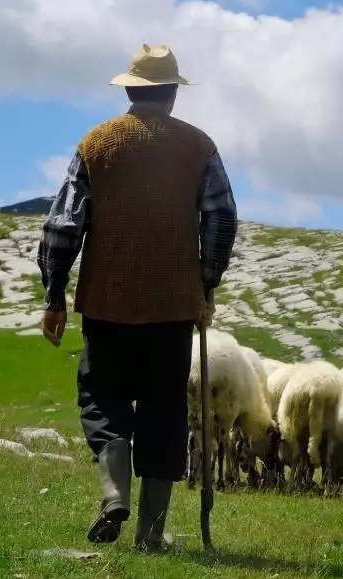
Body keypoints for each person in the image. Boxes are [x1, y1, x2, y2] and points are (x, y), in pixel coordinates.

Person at [35, 43, 238, 552]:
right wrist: (205, 284)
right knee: (164, 408)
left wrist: (54, 295)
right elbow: (221, 217)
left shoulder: (97, 144)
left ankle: (112, 495)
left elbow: (63, 224)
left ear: (129, 89)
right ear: (172, 93)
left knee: (101, 398)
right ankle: (151, 531)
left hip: (107, 300)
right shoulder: (199, 147)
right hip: (172, 304)